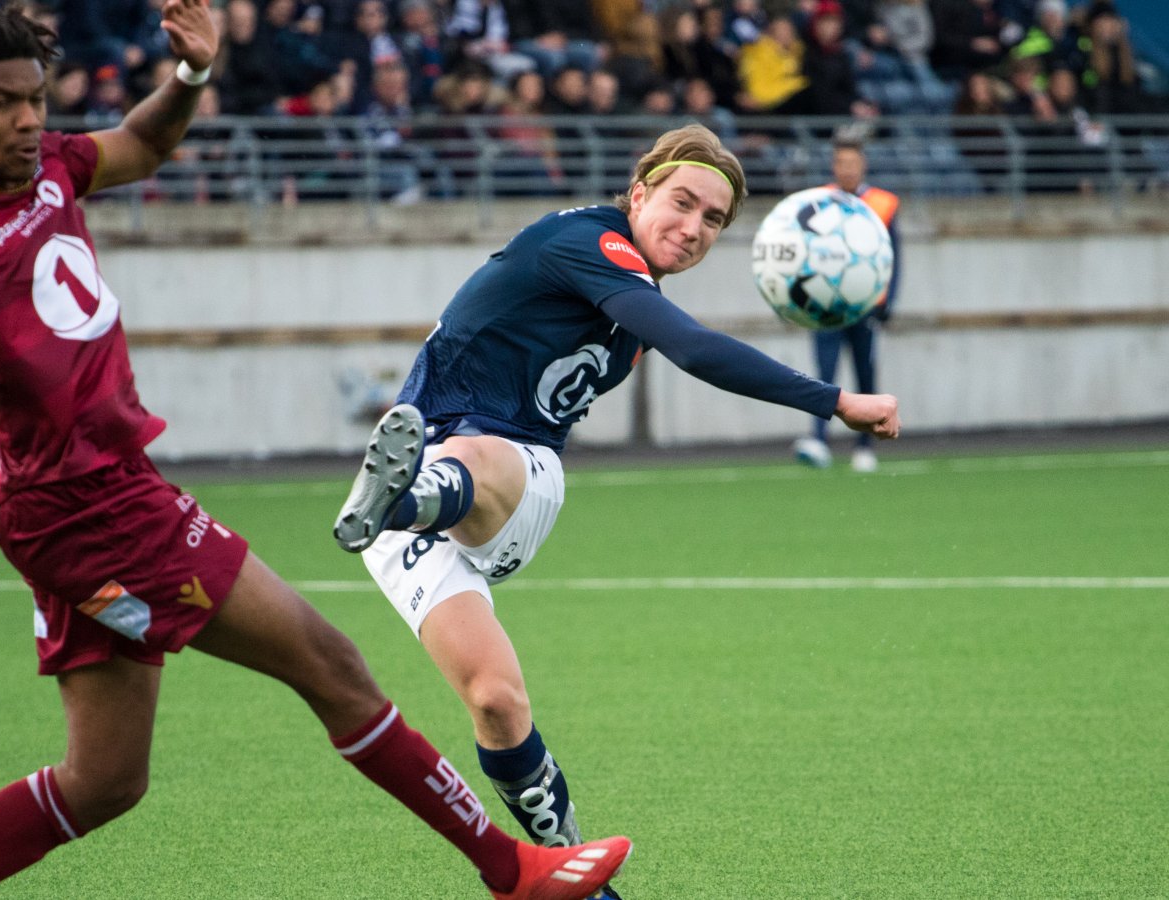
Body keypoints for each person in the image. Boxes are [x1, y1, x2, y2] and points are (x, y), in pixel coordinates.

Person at [0, 5, 629, 899]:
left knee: (105, 779)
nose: (29, 119)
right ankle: (513, 873)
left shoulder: (52, 166)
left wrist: (190, 73)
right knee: (334, 666)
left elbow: (141, 144)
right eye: (3, 102)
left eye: (36, 98)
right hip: (91, 505)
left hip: (74, 494)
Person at [332, 123, 900, 899]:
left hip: (501, 485)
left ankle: (409, 497)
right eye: (682, 202)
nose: (694, 228)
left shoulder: (630, 296)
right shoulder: (586, 242)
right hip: (447, 476)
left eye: (713, 220)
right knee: (497, 700)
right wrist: (837, 401)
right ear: (638, 193)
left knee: (479, 458)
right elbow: (697, 351)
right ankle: (573, 873)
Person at [793, 135, 902, 472]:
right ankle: (819, 439)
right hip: (827, 305)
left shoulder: (882, 203)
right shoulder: (819, 202)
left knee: (864, 372)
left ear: (863, 165)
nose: (847, 170)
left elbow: (894, 256)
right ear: (833, 166)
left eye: (853, 164)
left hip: (864, 305)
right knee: (822, 374)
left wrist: (888, 300)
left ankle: (866, 444)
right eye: (841, 163)